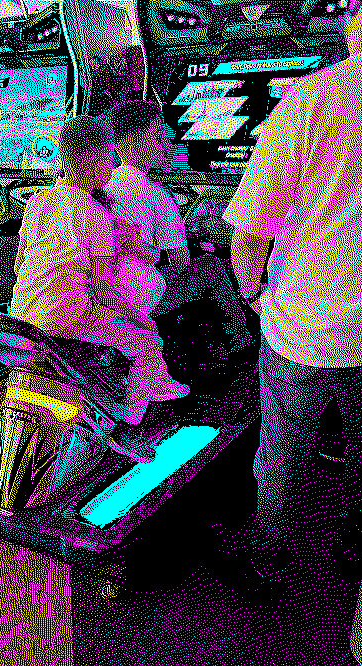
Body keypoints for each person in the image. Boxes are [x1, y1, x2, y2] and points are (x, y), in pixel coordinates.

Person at [212, 2, 362, 579]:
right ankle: (352, 548)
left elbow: (252, 223)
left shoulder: (313, 99)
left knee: (284, 449)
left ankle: (268, 558)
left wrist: (252, 295)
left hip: (307, 318)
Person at [10, 115, 187, 462]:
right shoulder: (94, 215)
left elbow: (19, 265)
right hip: (69, 317)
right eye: (108, 157)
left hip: (23, 311)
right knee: (149, 340)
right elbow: (105, 292)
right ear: (94, 158)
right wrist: (139, 319)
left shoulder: (39, 201)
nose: (112, 165)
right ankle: (128, 426)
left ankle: (100, 396)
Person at [104, 100, 255, 355]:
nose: (167, 141)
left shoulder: (107, 183)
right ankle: (243, 350)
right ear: (135, 143)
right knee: (212, 266)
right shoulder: (156, 194)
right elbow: (180, 262)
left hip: (107, 292)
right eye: (158, 134)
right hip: (142, 297)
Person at [89, 187, 189, 399]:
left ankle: (153, 380)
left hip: (103, 295)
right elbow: (148, 255)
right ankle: (141, 400)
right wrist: (154, 249)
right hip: (119, 294)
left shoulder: (64, 214)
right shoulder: (112, 222)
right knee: (149, 337)